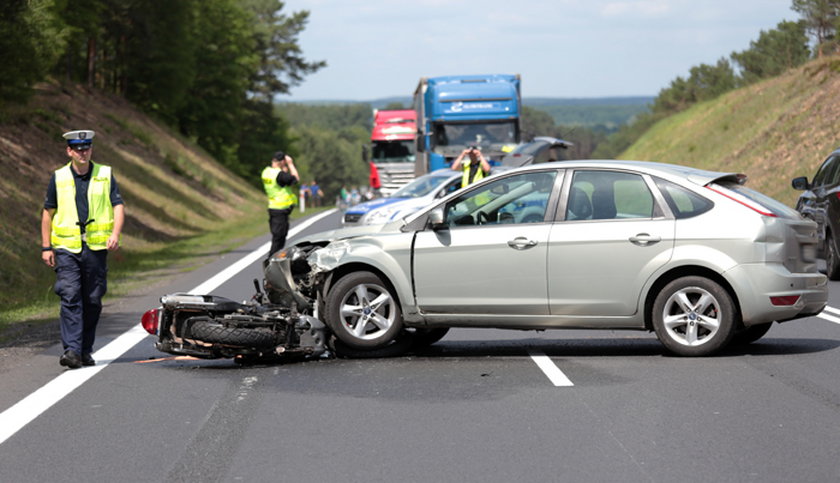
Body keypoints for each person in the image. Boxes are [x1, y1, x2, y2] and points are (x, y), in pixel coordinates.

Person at [41, 129, 125, 369]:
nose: (83, 152)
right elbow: (48, 214)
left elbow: (117, 206)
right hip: (66, 247)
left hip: (96, 247)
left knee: (92, 300)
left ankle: (84, 350)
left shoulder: (105, 174)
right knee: (70, 295)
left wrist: (115, 234)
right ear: (69, 151)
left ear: (91, 149)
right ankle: (72, 350)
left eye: (86, 147)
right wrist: (47, 246)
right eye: (78, 149)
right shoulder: (58, 177)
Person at [261, 150, 299, 258]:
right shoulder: (280, 175)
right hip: (280, 210)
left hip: (273, 208)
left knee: (277, 238)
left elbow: (280, 182)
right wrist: (291, 164)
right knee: (278, 240)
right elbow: (295, 179)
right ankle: (271, 262)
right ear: (282, 162)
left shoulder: (266, 172)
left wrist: (283, 170)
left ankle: (274, 261)